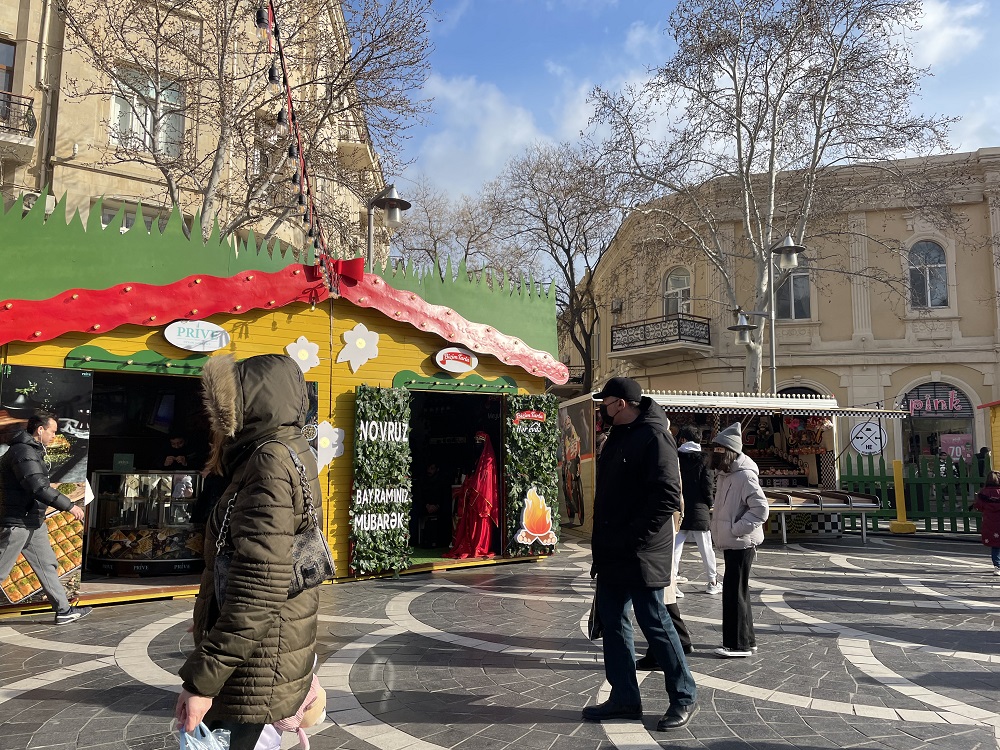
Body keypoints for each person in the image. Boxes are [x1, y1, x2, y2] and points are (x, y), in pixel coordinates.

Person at [176, 354, 321, 749]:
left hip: (256, 660)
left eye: (225, 405)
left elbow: (258, 586)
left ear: (249, 404)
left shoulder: (268, 461)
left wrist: (202, 681)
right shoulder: (288, 448)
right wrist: (211, 612)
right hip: (265, 648)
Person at [584, 377, 697, 731]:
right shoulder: (618, 435)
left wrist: (633, 537)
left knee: (655, 622)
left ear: (620, 403)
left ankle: (684, 696)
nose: (601, 408)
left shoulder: (655, 436)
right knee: (613, 619)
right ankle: (624, 698)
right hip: (614, 550)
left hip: (642, 551)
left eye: (605, 403)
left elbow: (667, 497)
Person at [0, 412, 92, 625]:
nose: (54, 436)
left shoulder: (30, 450)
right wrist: (69, 506)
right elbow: (37, 487)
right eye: (52, 431)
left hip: (32, 521)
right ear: (40, 430)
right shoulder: (23, 452)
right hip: (18, 523)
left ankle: (64, 610)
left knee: (47, 565)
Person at [708, 422, 769, 658]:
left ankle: (737, 645)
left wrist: (736, 529)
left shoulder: (744, 476)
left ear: (728, 451)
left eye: (719, 450)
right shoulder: (727, 474)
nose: (714, 454)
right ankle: (746, 640)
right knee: (737, 592)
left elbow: (760, 509)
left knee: (735, 594)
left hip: (741, 542)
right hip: (735, 541)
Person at [672, 425, 720, 596]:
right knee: (706, 547)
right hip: (700, 508)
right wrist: (709, 502)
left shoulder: (675, 457)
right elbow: (707, 486)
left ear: (683, 439)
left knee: (676, 547)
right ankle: (712, 581)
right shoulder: (705, 459)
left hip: (680, 507)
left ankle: (672, 582)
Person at [444, 432, 499, 559]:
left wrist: (474, 489)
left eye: (480, 442)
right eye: (476, 441)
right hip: (471, 499)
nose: (477, 444)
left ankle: (479, 547)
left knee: (479, 525)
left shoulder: (488, 461)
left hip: (481, 501)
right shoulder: (477, 460)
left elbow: (485, 482)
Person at [973, 470, 1000, 575]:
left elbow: (979, 506)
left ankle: (997, 566)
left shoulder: (984, 492)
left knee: (996, 545)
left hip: (990, 522)